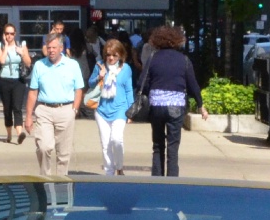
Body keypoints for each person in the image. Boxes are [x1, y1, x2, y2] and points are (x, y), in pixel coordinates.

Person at [137, 25, 209, 177]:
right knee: (173, 147)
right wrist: (200, 105)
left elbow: (141, 82)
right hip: (176, 106)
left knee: (157, 146)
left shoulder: (152, 58)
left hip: (156, 105)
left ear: (157, 41)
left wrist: (153, 91)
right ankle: (172, 182)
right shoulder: (184, 60)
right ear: (177, 41)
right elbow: (193, 85)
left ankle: (156, 181)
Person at [24, 32, 86, 177]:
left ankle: (60, 182)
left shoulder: (72, 65)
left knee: (63, 153)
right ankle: (45, 177)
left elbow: (79, 89)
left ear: (61, 48)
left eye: (54, 47)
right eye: (48, 47)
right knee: (44, 147)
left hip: (66, 110)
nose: (51, 50)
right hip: (44, 110)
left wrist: (74, 110)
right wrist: (28, 117)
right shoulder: (39, 65)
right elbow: (33, 93)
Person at [87, 38, 134, 176]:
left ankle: (119, 167)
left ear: (120, 55)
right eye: (108, 55)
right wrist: (99, 77)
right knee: (105, 143)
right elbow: (90, 83)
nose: (111, 58)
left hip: (120, 109)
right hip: (102, 110)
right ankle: (109, 172)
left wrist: (131, 112)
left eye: (114, 55)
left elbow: (129, 90)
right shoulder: (99, 66)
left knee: (117, 139)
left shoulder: (126, 69)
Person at [0, 24, 31, 144]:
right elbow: (2, 60)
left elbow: (29, 63)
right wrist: (6, 47)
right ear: (4, 35)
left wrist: (22, 53)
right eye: (7, 34)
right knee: (7, 109)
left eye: (12, 33)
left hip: (18, 81)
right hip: (4, 81)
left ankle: (20, 134)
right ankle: (9, 135)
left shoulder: (21, 45)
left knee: (17, 108)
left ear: (15, 34)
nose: (9, 36)